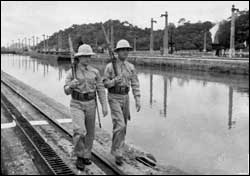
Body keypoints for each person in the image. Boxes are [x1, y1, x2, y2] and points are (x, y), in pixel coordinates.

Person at [64, 44, 108, 170]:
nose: (87, 59)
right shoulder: (71, 72)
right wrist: (71, 85)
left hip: (91, 104)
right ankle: (79, 155)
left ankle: (86, 155)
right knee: (79, 131)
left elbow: (100, 88)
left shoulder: (95, 72)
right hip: (76, 103)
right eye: (85, 56)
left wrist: (104, 105)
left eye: (89, 56)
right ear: (79, 57)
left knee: (90, 132)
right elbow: (66, 91)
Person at [103, 39, 141, 165]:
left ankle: (118, 149)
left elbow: (135, 83)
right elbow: (105, 83)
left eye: (127, 50)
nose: (125, 52)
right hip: (114, 96)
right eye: (122, 50)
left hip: (125, 97)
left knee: (122, 126)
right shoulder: (110, 66)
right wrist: (114, 81)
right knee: (120, 125)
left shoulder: (131, 67)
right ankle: (117, 152)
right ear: (117, 52)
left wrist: (137, 98)